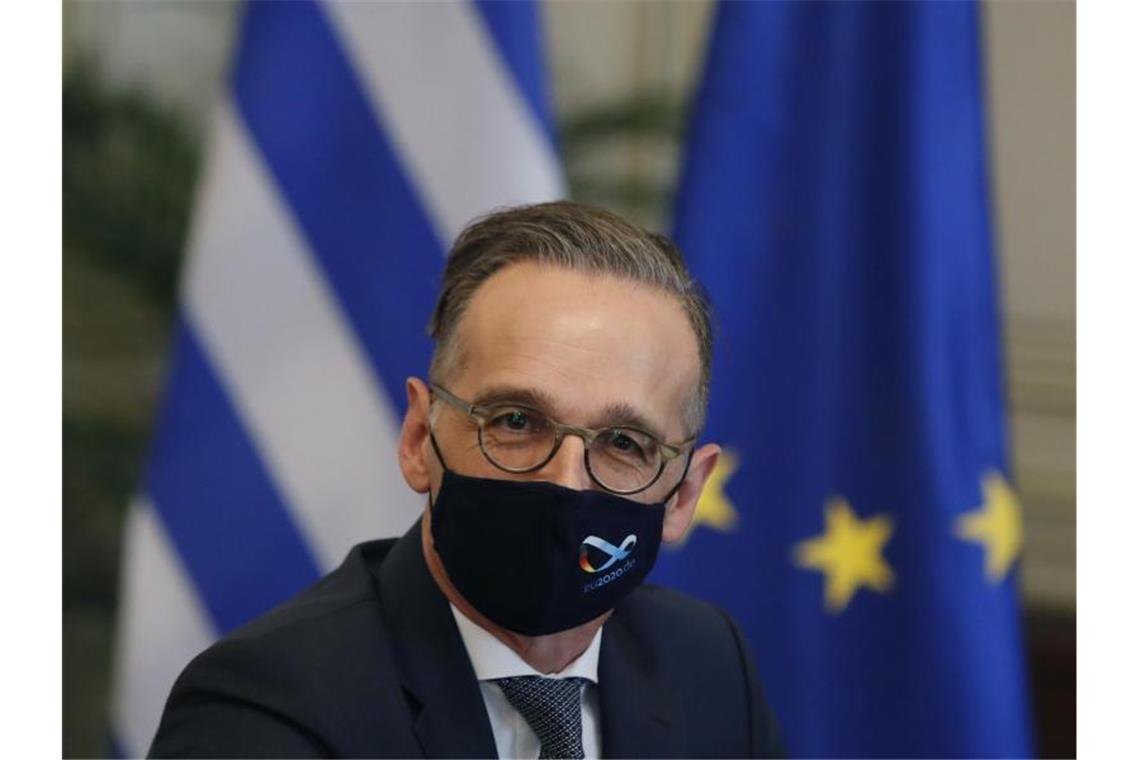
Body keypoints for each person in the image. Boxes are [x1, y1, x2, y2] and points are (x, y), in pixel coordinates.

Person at [149, 201, 785, 758]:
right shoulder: (265, 705)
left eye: (624, 443)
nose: (564, 483)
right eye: (516, 420)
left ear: (685, 494)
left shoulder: (708, 665)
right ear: (420, 438)